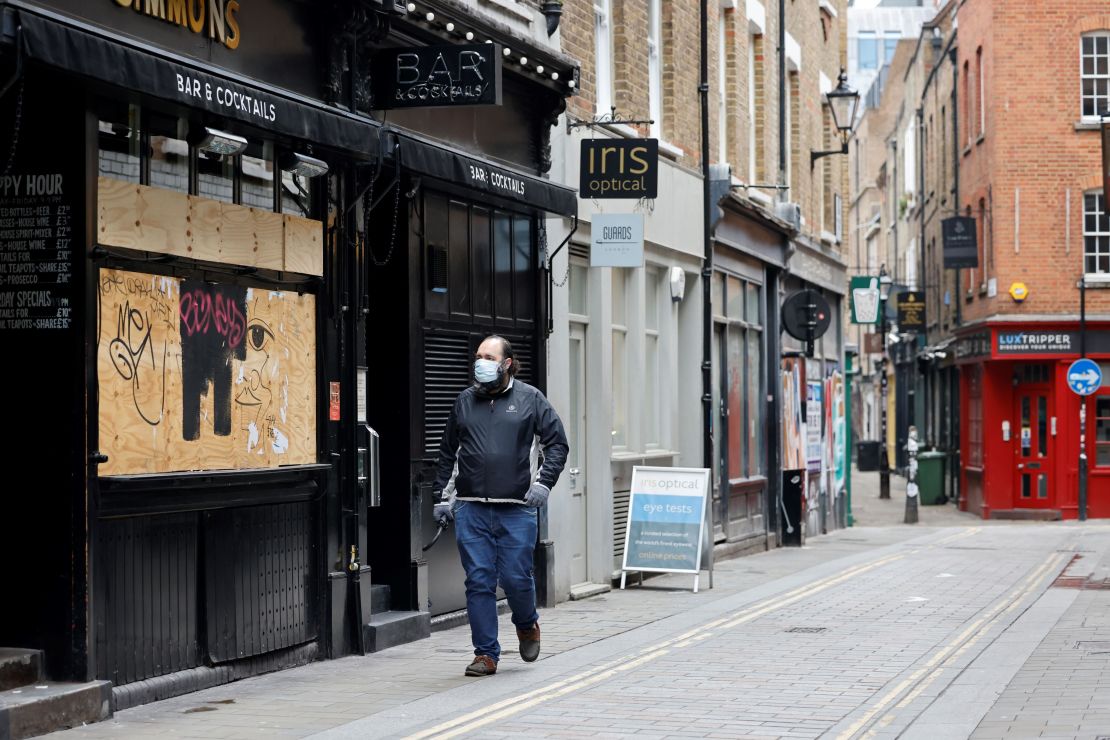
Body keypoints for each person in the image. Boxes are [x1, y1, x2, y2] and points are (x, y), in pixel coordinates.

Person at [432, 335, 568, 677]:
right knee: (479, 580)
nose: (481, 361)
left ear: (506, 363)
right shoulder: (464, 401)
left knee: (515, 577)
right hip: (471, 507)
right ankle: (485, 654)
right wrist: (440, 497)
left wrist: (543, 484)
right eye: (478, 355)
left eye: (488, 356)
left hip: (517, 508)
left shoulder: (530, 399)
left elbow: (557, 444)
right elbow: (448, 452)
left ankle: (526, 624)